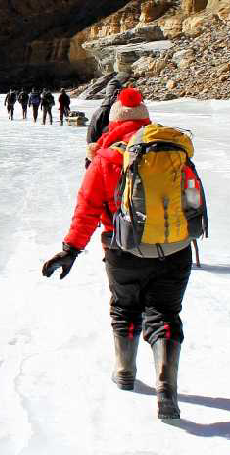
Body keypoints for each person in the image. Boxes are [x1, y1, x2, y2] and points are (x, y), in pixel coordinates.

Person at [41, 88, 190, 421]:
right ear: (146, 120)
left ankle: (125, 373)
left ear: (114, 121)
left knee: (125, 308)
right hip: (175, 250)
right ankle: (167, 387)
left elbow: (88, 209)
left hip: (122, 249)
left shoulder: (106, 157)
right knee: (165, 313)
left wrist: (70, 250)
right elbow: (191, 201)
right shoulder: (172, 150)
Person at [86, 74, 128, 166]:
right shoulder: (127, 108)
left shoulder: (100, 111)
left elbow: (91, 138)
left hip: (103, 158)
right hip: (125, 157)